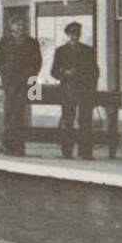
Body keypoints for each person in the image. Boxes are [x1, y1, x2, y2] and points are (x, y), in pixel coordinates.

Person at [51, 21, 99, 159]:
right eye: (72, 34)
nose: (74, 37)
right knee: (68, 121)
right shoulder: (60, 51)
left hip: (84, 90)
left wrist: (91, 87)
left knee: (85, 121)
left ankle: (85, 152)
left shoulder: (88, 51)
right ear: (67, 35)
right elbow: (54, 71)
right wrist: (65, 74)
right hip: (68, 90)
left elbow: (95, 71)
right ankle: (67, 151)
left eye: (77, 34)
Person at [0, 17, 41, 157]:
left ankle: (18, 146)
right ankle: (6, 145)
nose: (19, 30)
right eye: (16, 27)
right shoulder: (5, 42)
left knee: (19, 114)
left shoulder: (32, 43)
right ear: (11, 28)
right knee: (8, 113)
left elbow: (37, 63)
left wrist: (32, 82)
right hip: (10, 83)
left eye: (21, 27)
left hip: (25, 83)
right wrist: (5, 77)